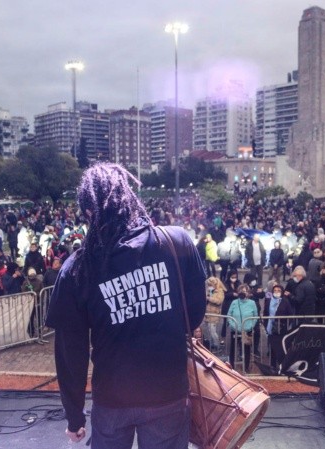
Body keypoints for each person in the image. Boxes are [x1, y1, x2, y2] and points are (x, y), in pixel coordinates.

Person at [44, 163, 206, 449]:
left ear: (88, 213)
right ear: (130, 199)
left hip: (112, 399)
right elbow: (193, 315)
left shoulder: (77, 269)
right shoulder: (176, 242)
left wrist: (74, 416)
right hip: (167, 391)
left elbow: (71, 354)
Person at [227, 284, 258, 372]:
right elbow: (229, 315)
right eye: (241, 291)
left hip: (247, 330)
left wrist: (250, 326)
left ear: (248, 293)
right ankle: (231, 367)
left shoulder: (252, 303)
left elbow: (255, 316)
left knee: (246, 349)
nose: (242, 293)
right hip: (235, 330)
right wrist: (234, 326)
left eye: (244, 291)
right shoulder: (234, 302)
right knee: (233, 349)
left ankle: (246, 367)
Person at [264, 283, 293, 372]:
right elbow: (265, 313)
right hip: (271, 328)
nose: (276, 292)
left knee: (280, 347)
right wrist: (266, 325)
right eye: (275, 290)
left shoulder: (285, 301)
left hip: (281, 328)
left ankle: (281, 366)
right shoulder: (268, 301)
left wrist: (285, 325)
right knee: (272, 347)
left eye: (279, 291)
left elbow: (290, 315)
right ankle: (272, 366)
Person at [204, 276, 226, 350]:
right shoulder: (209, 290)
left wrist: (209, 298)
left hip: (214, 314)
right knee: (209, 331)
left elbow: (219, 301)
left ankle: (217, 345)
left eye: (210, 285)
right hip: (207, 313)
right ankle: (212, 344)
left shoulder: (220, 291)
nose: (209, 286)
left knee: (213, 331)